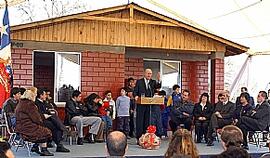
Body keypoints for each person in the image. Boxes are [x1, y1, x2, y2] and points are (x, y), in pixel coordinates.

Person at [15, 87, 53, 156]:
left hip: (20, 127)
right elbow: (37, 119)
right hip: (27, 128)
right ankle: (44, 149)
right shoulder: (30, 104)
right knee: (46, 131)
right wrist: (44, 117)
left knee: (43, 128)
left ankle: (36, 147)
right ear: (32, 95)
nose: (36, 95)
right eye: (35, 94)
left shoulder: (21, 103)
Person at [35, 88, 69, 152]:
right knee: (56, 126)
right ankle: (60, 141)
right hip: (41, 121)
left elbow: (50, 109)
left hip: (48, 118)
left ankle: (59, 144)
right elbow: (38, 114)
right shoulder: (36, 103)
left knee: (56, 125)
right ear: (41, 95)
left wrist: (49, 112)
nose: (46, 96)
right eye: (45, 95)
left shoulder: (45, 102)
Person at [133, 69, 161, 141]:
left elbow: (157, 88)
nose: (149, 75)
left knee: (147, 122)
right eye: (148, 73)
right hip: (141, 105)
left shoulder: (153, 82)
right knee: (140, 122)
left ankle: (146, 138)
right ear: (144, 74)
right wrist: (136, 96)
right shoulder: (139, 82)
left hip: (149, 105)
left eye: (150, 74)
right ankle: (139, 138)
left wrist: (159, 80)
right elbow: (135, 91)